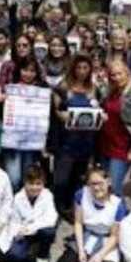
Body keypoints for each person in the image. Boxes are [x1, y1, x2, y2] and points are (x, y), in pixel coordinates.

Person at [54, 167, 127, 262]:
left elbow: (115, 236)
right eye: (93, 184)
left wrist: (100, 256)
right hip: (86, 236)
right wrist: (81, 251)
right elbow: (78, 223)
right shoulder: (81, 194)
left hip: (106, 242)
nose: (96, 188)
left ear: (108, 182)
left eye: (100, 183)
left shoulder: (118, 205)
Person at [0, 55, 54, 190]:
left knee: (26, 177)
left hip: (32, 142)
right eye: (25, 70)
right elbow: (0, 112)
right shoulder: (11, 89)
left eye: (32, 71)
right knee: (13, 178)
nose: (28, 74)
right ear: (19, 70)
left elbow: (48, 116)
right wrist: (1, 100)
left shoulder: (42, 89)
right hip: (12, 141)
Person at [52, 54, 100, 215]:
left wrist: (102, 116)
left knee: (77, 178)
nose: (82, 71)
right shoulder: (63, 87)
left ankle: (70, 208)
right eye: (78, 67)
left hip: (86, 141)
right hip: (66, 141)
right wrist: (61, 116)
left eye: (85, 68)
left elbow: (100, 109)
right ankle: (57, 207)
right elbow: (55, 110)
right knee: (61, 180)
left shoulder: (94, 88)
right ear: (73, 68)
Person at [98, 60, 131, 196]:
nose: (116, 78)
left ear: (127, 73)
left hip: (122, 148)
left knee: (114, 187)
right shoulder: (111, 93)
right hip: (105, 145)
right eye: (113, 75)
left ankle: (122, 215)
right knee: (104, 185)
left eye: (119, 74)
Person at [6, 164, 57, 262]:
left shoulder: (47, 195)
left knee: (48, 232)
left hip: (40, 232)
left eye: (38, 183)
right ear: (25, 182)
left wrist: (31, 228)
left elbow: (51, 219)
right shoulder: (18, 198)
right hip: (24, 234)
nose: (34, 187)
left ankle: (42, 257)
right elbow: (14, 221)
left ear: (43, 183)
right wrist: (15, 236)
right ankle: (34, 255)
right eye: (31, 183)